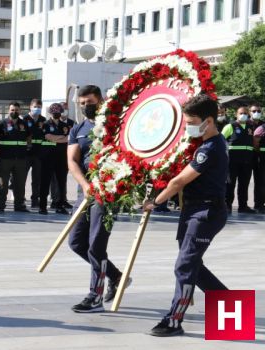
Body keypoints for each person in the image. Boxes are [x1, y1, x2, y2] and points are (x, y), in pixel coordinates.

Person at [143, 94, 230, 337]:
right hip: (195, 210)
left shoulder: (209, 149)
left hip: (205, 212)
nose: (188, 126)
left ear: (209, 120)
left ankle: (173, 319)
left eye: (191, 121)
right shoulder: (206, 144)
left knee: (184, 265)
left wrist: (155, 202)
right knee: (192, 265)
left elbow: (179, 180)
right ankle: (231, 308)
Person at [67, 85, 130, 313]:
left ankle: (95, 295)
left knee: (96, 245)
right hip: (85, 191)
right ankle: (116, 276)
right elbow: (72, 161)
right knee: (76, 242)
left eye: (90, 102)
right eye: (82, 103)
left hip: (108, 192)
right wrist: (85, 185)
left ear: (101, 101)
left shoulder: (117, 124)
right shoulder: (78, 129)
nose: (86, 107)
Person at [0, 101, 31, 213]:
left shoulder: (24, 124)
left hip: (20, 159)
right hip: (5, 158)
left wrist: (28, 148)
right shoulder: (2, 124)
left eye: (16, 110)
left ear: (19, 111)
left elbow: (29, 138)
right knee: (3, 184)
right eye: (12, 110)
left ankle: (19, 205)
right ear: (9, 111)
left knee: (20, 184)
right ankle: (0, 205)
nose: (14, 112)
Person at [221, 106, 256, 213]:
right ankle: (227, 205)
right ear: (236, 114)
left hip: (247, 161)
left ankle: (243, 206)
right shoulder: (230, 126)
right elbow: (221, 141)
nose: (243, 115)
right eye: (241, 113)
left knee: (244, 184)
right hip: (232, 160)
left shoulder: (251, 127)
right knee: (230, 183)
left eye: (246, 113)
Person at [43, 103, 71, 214]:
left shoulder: (64, 125)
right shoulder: (45, 124)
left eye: (58, 112)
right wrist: (60, 137)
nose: (57, 114)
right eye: (55, 112)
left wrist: (56, 138)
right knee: (45, 182)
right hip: (48, 157)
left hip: (61, 157)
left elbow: (67, 139)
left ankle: (59, 205)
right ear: (51, 113)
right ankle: (43, 206)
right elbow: (48, 137)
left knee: (61, 183)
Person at [24, 99, 44, 208]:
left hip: (38, 154)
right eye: (35, 106)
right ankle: (21, 199)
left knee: (37, 180)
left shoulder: (43, 120)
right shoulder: (24, 119)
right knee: (22, 178)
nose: (37, 108)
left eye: (39, 107)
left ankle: (35, 200)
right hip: (26, 153)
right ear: (30, 107)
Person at [250, 105, 264, 213]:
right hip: (246, 157)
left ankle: (258, 204)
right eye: (254, 111)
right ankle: (242, 205)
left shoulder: (262, 124)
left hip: (259, 157)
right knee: (242, 183)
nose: (256, 112)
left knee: (260, 181)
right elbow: (256, 142)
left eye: (259, 111)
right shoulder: (245, 123)